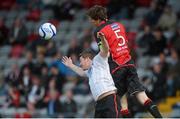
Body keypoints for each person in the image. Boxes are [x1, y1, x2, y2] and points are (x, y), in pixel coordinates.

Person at [86, 5, 162, 118]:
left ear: (97, 18)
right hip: (129, 62)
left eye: (91, 19)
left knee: (122, 100)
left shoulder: (98, 31)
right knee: (142, 96)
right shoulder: (119, 25)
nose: (91, 22)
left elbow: (104, 52)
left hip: (116, 67)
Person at [62, 32, 120, 118]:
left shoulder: (98, 60)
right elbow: (81, 72)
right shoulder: (89, 71)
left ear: (87, 59)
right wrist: (71, 65)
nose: (80, 64)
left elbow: (105, 50)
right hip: (99, 103)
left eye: (81, 61)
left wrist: (102, 40)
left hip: (110, 99)